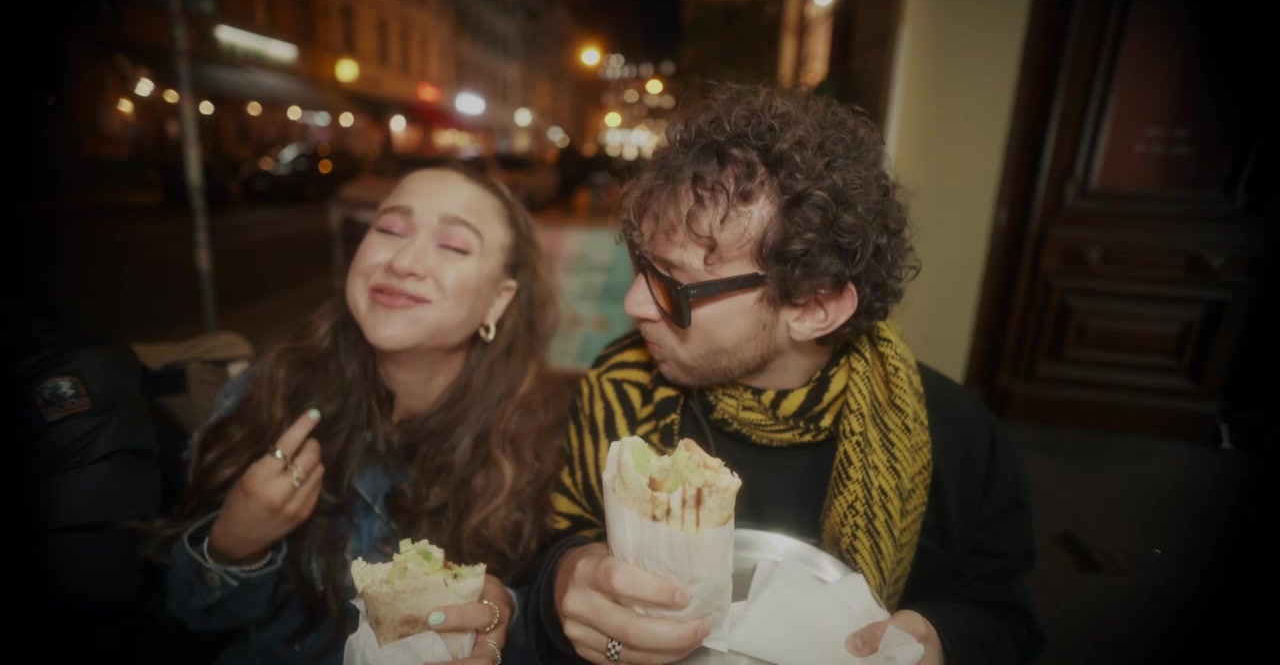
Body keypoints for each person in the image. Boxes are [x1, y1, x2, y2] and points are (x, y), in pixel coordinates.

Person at [521, 84, 1044, 665]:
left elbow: (1007, 620)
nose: (634, 303)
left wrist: (944, 641)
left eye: (674, 284)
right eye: (643, 263)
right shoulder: (614, 393)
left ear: (813, 307)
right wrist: (564, 584)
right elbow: (545, 558)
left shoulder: (955, 434)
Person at [158, 166, 566, 664]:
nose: (404, 261)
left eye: (453, 246)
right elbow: (179, 614)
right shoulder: (273, 390)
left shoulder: (540, 439)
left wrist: (506, 614)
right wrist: (231, 547)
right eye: (389, 229)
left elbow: (553, 619)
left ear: (499, 300)